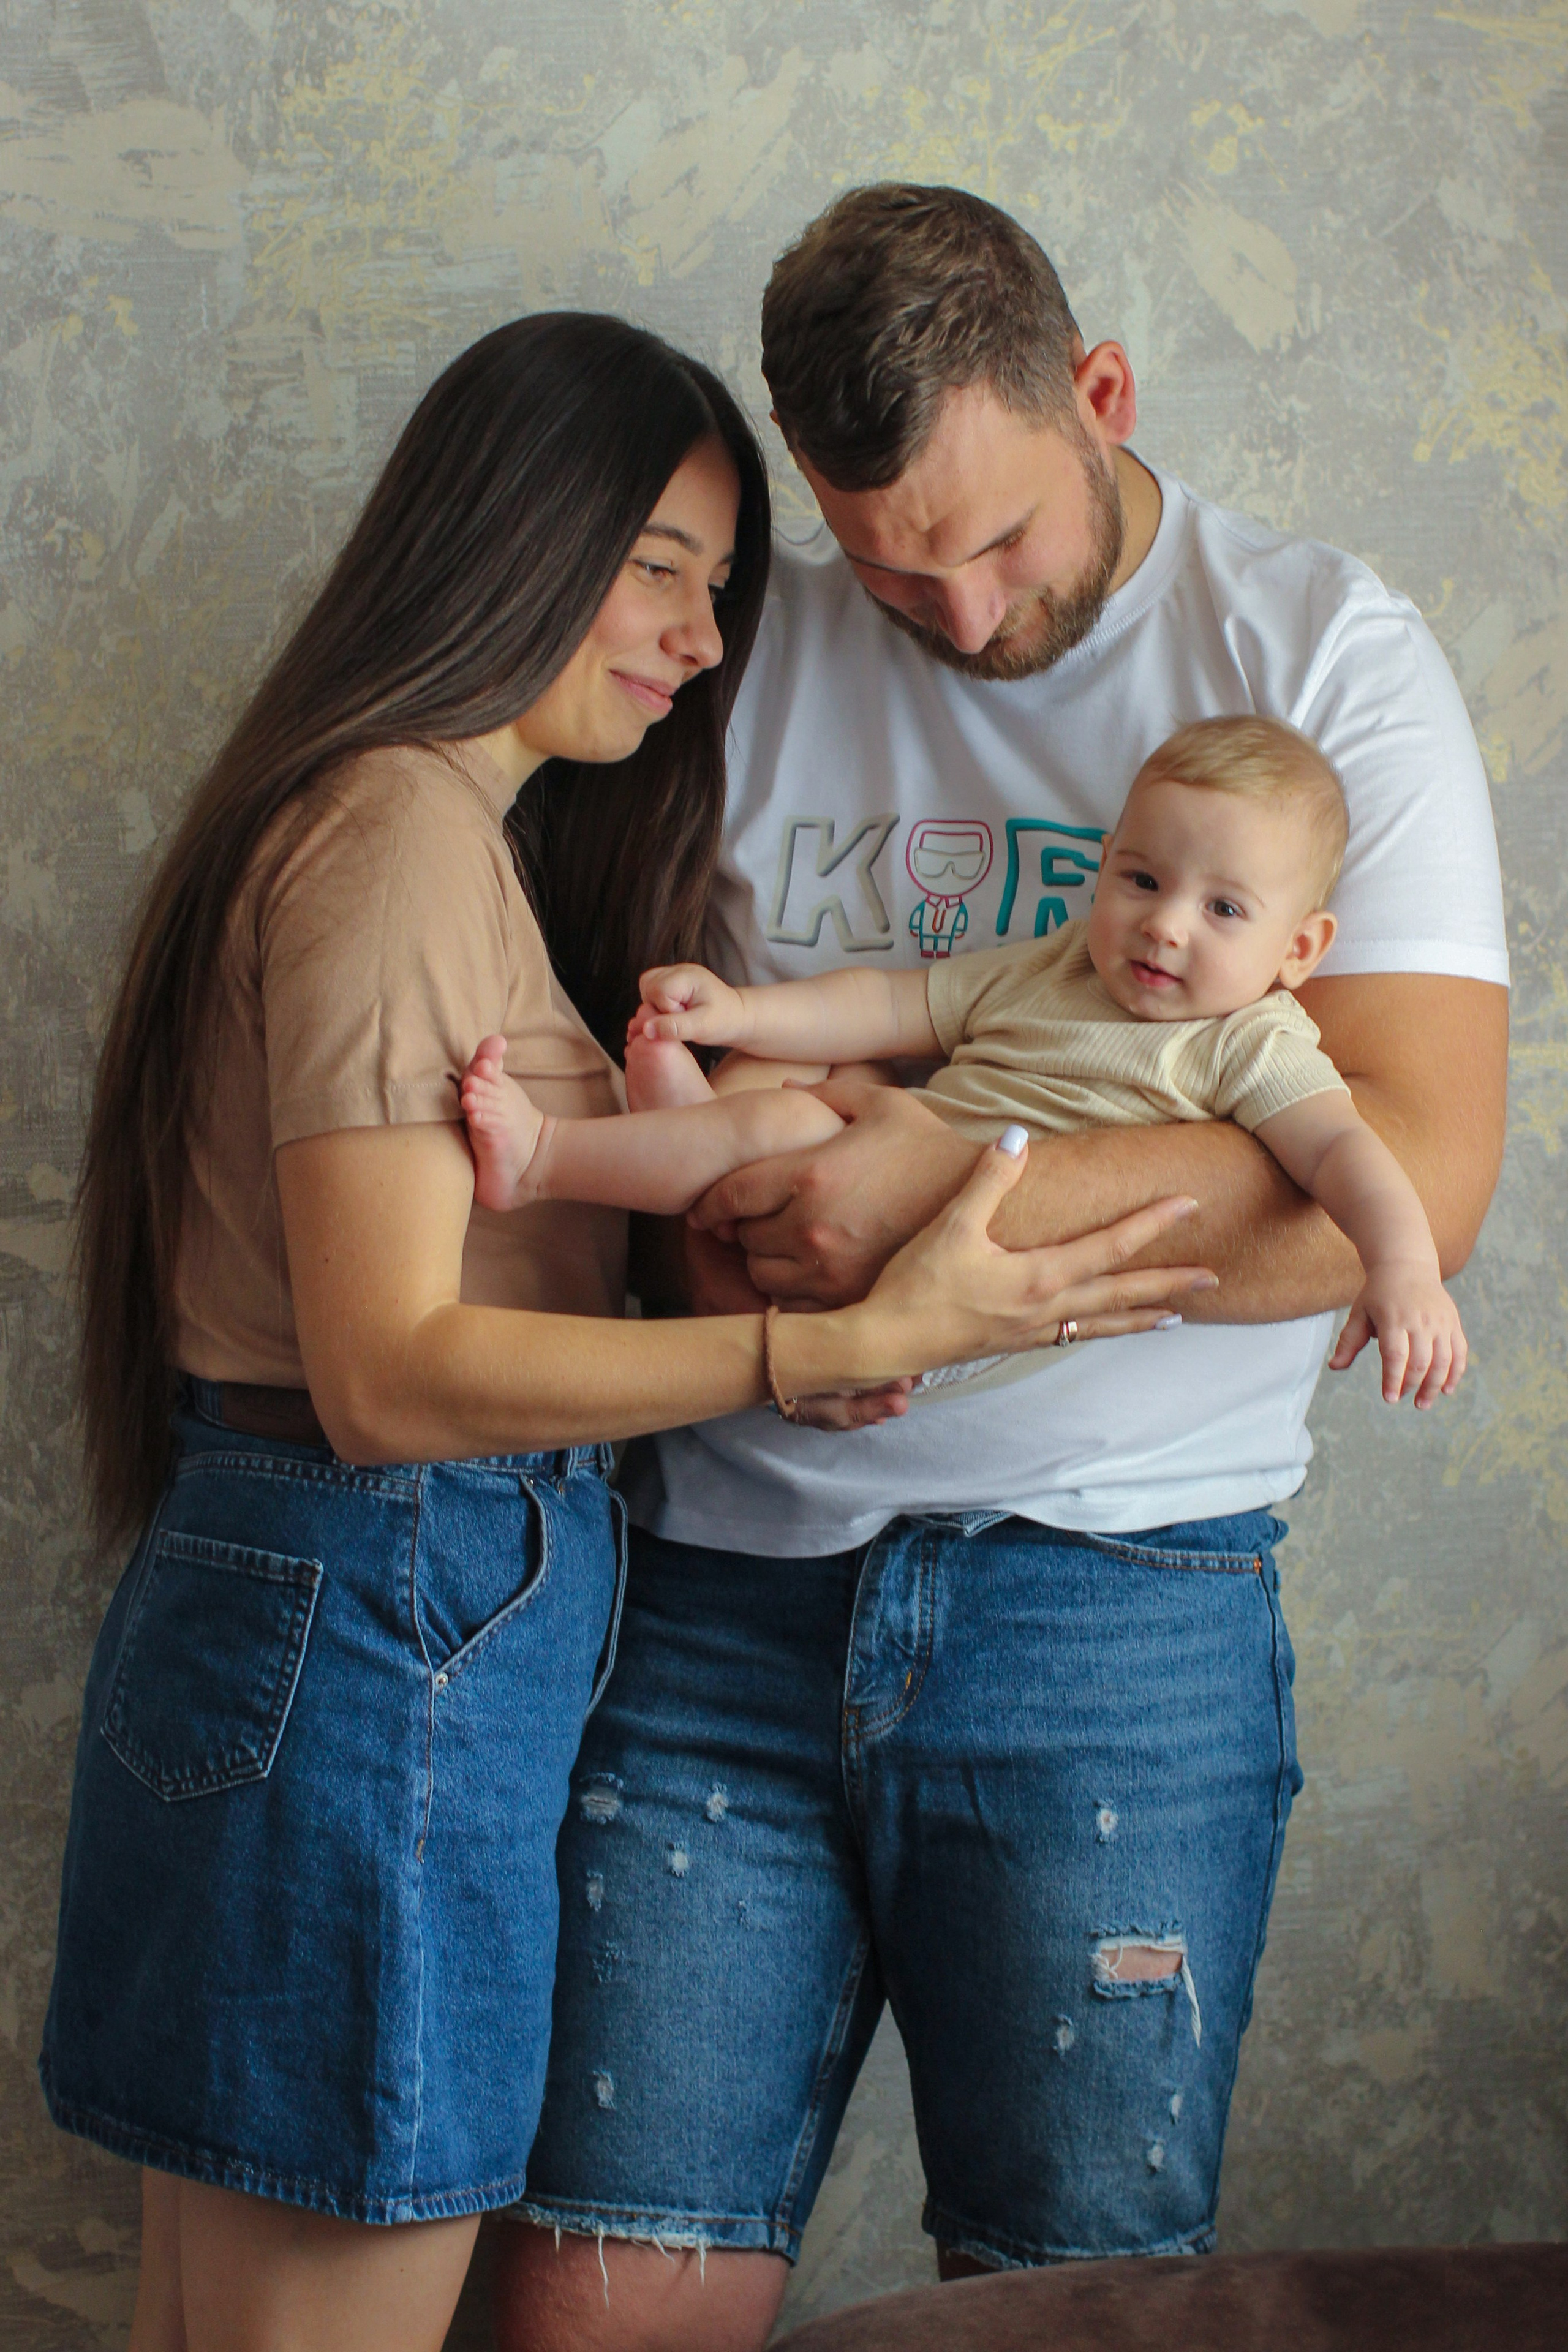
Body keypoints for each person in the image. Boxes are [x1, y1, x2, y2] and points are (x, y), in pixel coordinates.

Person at [39, 310, 1205, 2352]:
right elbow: (391, 1374)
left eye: (721, 585)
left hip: (334, 1615)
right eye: (656, 566)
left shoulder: (420, 835)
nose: (697, 636)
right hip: (380, 1620)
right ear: (503, 532)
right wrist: (799, 1355)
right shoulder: (401, 834)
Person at [498, 189, 1508, 2351]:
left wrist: (918, 1211)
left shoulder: (1321, 656)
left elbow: (1411, 1171)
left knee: (1075, 2316)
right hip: (717, 1589)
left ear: (1102, 394)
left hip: (1115, 1608)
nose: (953, 614)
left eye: (998, 542)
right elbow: (627, 1048)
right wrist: (746, 1252)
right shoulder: (734, 648)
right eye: (887, 564)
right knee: (590, 2304)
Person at [460, 715, 1466, 1410]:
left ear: (1299, 950)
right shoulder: (1057, 966)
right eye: (1141, 880)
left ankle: (544, 1159)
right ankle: (692, 1133)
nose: (1166, 925)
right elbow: (890, 1003)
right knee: (784, 1084)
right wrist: (741, 1008)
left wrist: (1403, 1268)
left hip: (962, 1290)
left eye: (1224, 908)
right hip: (867, 1221)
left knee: (791, 1123)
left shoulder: (1250, 1041)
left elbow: (1344, 1153)